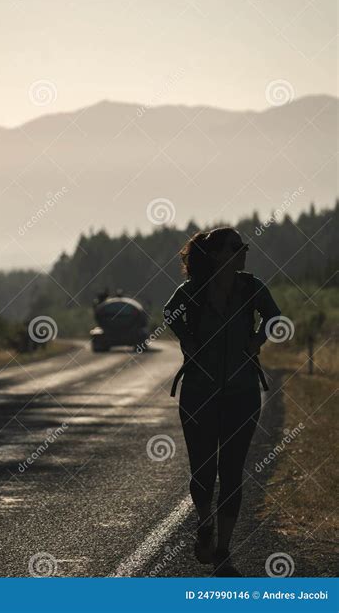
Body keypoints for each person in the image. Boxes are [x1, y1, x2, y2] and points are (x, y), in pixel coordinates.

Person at [163, 227, 281, 576]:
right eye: (236, 246)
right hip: (199, 392)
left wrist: (257, 340)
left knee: (231, 472)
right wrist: (188, 342)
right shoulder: (192, 290)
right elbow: (169, 315)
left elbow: (276, 317)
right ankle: (204, 522)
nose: (244, 251)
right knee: (203, 470)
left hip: (242, 393)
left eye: (242, 246)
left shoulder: (251, 287)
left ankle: (223, 551)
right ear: (217, 255)